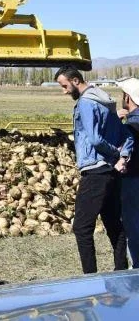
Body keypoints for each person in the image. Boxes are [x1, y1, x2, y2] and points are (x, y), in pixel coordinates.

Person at [55, 66, 133, 273]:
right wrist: (122, 156)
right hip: (110, 173)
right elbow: (125, 136)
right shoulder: (106, 100)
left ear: (75, 80)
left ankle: (90, 278)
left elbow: (95, 139)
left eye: (64, 86)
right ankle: (121, 272)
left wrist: (115, 155)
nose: (64, 91)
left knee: (82, 227)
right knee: (114, 224)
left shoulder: (86, 103)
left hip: (95, 171)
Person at [116, 77, 139, 268]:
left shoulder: (129, 126)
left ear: (128, 98)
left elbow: (121, 150)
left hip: (132, 179)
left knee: (133, 225)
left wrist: (115, 122)